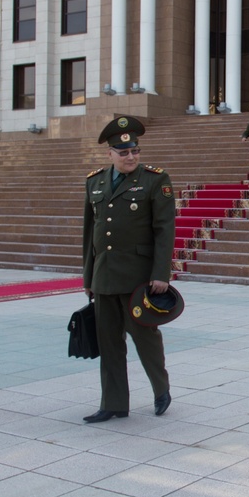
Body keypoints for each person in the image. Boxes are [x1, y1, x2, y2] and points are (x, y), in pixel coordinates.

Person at [82, 115, 175, 423]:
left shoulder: (155, 180)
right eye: (124, 153)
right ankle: (114, 403)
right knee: (109, 345)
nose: (131, 156)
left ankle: (161, 390)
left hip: (138, 279)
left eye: (135, 150)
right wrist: (88, 277)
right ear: (110, 154)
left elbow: (165, 230)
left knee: (146, 339)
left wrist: (161, 274)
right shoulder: (94, 181)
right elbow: (89, 235)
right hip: (104, 277)